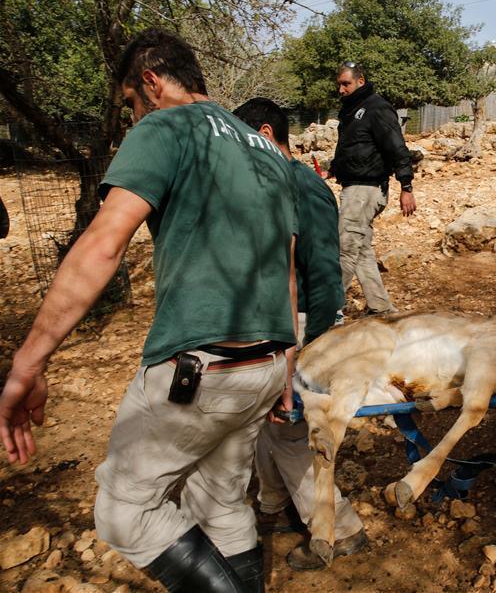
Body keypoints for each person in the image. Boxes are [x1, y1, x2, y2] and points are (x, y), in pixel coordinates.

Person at [0, 30, 299, 593]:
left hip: (199, 367)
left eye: (131, 104)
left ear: (151, 82)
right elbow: (285, 265)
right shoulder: (265, 150)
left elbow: (103, 245)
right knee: (222, 501)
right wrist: (286, 367)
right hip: (263, 365)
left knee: (125, 512)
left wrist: (28, 362)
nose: (133, 118)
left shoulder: (165, 127)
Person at [232, 97, 368, 571]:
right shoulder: (274, 182)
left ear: (265, 134)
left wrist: (317, 347)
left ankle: (340, 527)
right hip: (278, 323)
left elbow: (326, 274)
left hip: (305, 323)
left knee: (290, 430)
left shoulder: (302, 186)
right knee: (264, 418)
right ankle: (274, 503)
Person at [326, 61, 415, 315]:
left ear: (360, 81)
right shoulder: (352, 110)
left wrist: (406, 186)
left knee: (345, 248)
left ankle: (327, 311)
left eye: (346, 84)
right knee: (360, 248)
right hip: (355, 188)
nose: (341, 89)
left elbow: (397, 147)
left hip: (365, 190)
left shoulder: (377, 107)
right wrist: (334, 168)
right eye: (339, 84)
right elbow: (354, 148)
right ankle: (381, 307)